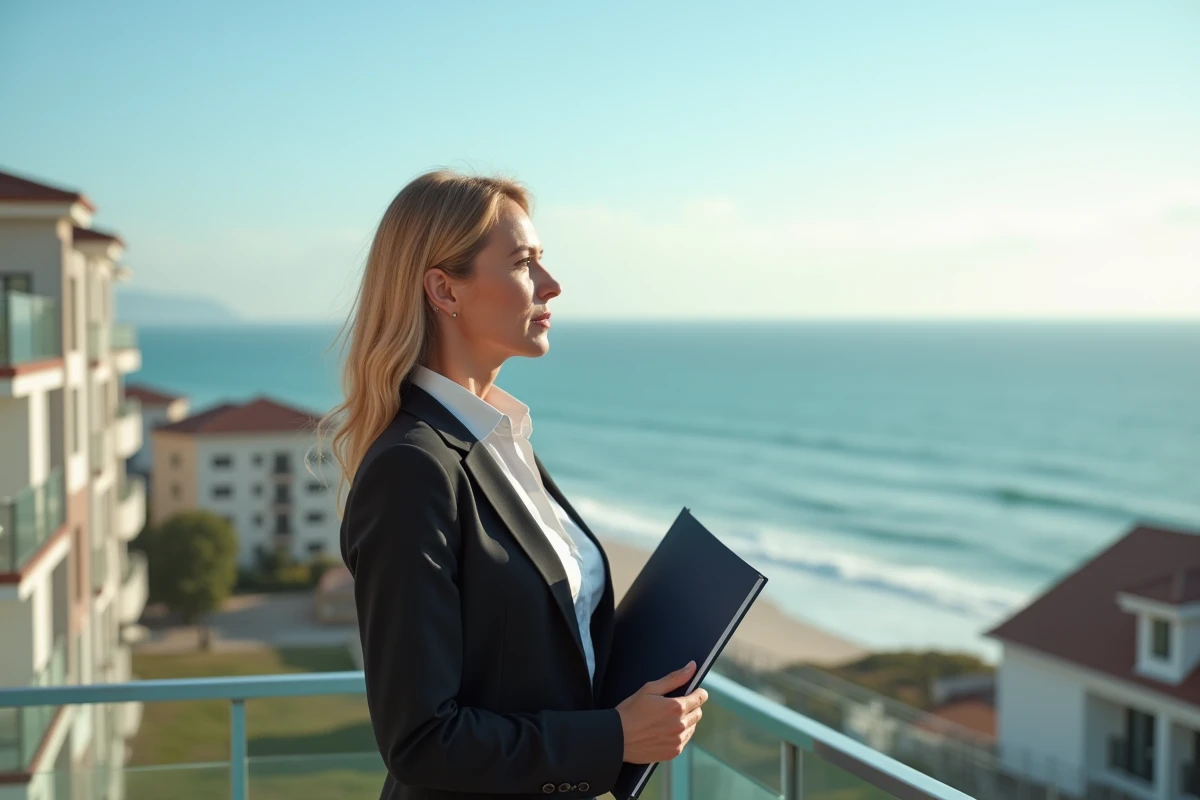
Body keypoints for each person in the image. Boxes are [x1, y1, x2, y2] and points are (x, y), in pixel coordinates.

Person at [317, 169, 709, 800]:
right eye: (525, 263)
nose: (552, 286)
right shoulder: (412, 469)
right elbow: (420, 741)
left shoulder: (503, 441)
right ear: (444, 289)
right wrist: (613, 739)